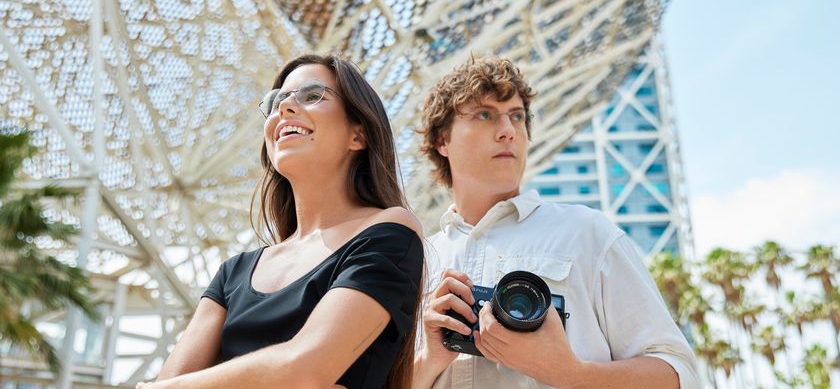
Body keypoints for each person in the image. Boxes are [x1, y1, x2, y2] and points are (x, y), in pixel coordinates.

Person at [137, 54, 424, 389]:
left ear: (358, 136)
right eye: (276, 101)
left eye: (312, 95)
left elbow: (304, 370)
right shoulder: (234, 272)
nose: (285, 107)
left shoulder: (389, 233)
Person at [412, 56, 699, 388]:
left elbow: (678, 374)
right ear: (442, 141)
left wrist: (569, 374)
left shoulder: (588, 234)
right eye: (485, 115)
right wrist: (429, 359)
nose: (508, 131)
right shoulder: (415, 260)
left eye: (517, 117)